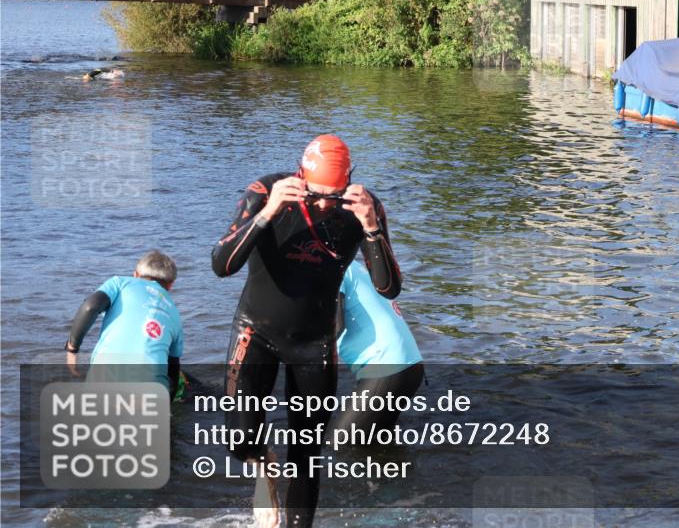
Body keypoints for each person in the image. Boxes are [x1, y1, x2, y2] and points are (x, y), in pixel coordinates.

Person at [212, 134, 402, 528]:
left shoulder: (364, 207)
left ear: (349, 182)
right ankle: (265, 466)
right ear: (299, 175)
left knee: (307, 454)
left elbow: (389, 288)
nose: (321, 205)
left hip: (314, 344)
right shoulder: (264, 191)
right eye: (314, 194)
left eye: (332, 198)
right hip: (256, 332)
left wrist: (371, 228)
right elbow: (221, 264)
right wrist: (268, 213)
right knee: (240, 441)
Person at [64, 251, 184, 396]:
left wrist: (72, 347)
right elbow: (173, 369)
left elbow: (90, 306)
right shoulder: (175, 314)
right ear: (171, 285)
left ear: (135, 274)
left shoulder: (120, 283)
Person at [334, 261, 423, 433]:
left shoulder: (331, 268)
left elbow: (334, 326)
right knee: (375, 443)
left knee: (337, 445)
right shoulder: (349, 263)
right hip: (408, 365)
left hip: (387, 369)